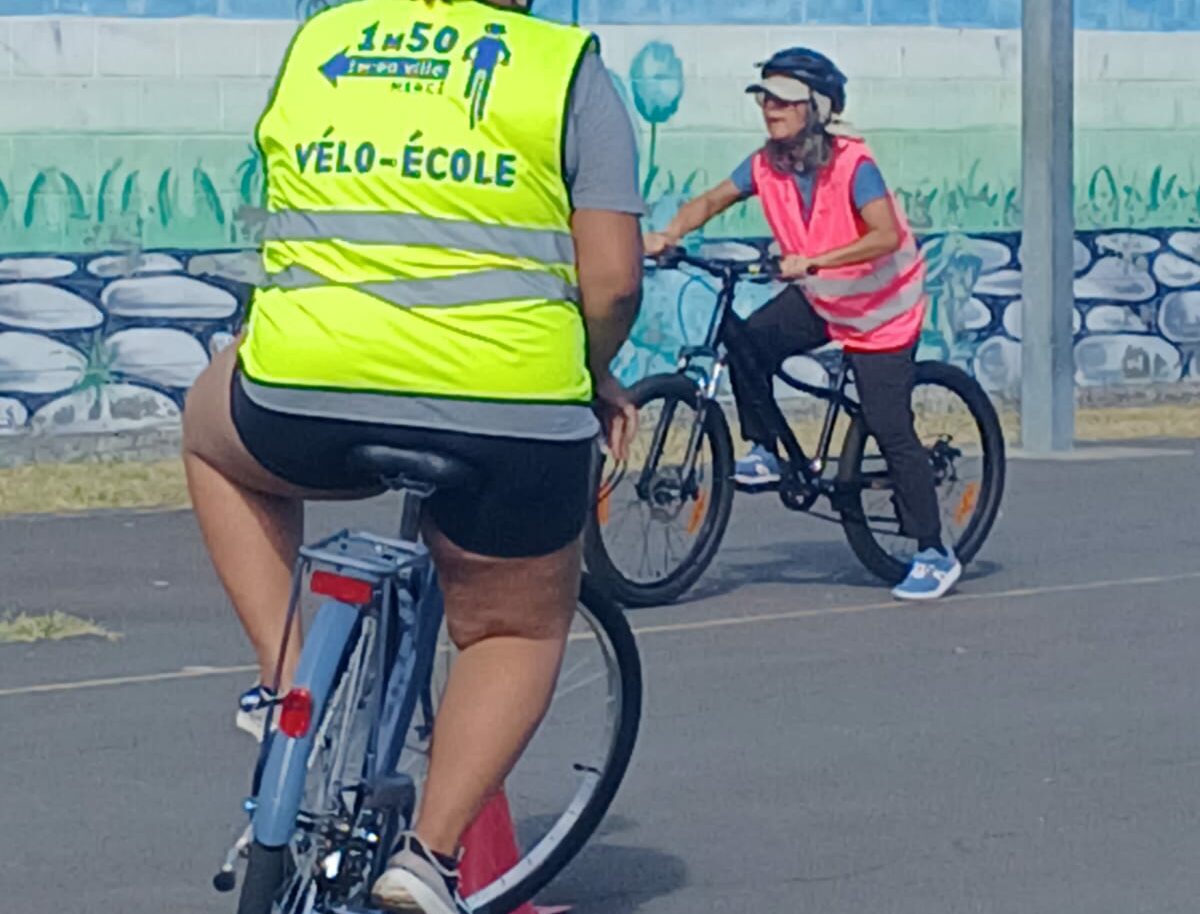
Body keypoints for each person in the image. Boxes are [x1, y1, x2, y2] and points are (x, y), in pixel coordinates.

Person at [181, 0, 644, 910]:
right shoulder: (565, 69)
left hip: (307, 393)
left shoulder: (321, 41)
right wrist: (594, 375)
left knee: (210, 438)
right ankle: (429, 857)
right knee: (512, 627)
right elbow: (615, 281)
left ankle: (289, 696)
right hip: (505, 414)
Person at [644, 46, 961, 602]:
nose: (771, 108)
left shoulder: (853, 166)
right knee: (744, 342)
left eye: (785, 100)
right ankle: (765, 448)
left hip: (882, 311)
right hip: (823, 297)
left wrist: (814, 261)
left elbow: (884, 235)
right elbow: (713, 199)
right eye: (765, 97)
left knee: (889, 426)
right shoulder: (767, 162)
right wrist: (669, 235)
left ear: (818, 107)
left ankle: (934, 551)